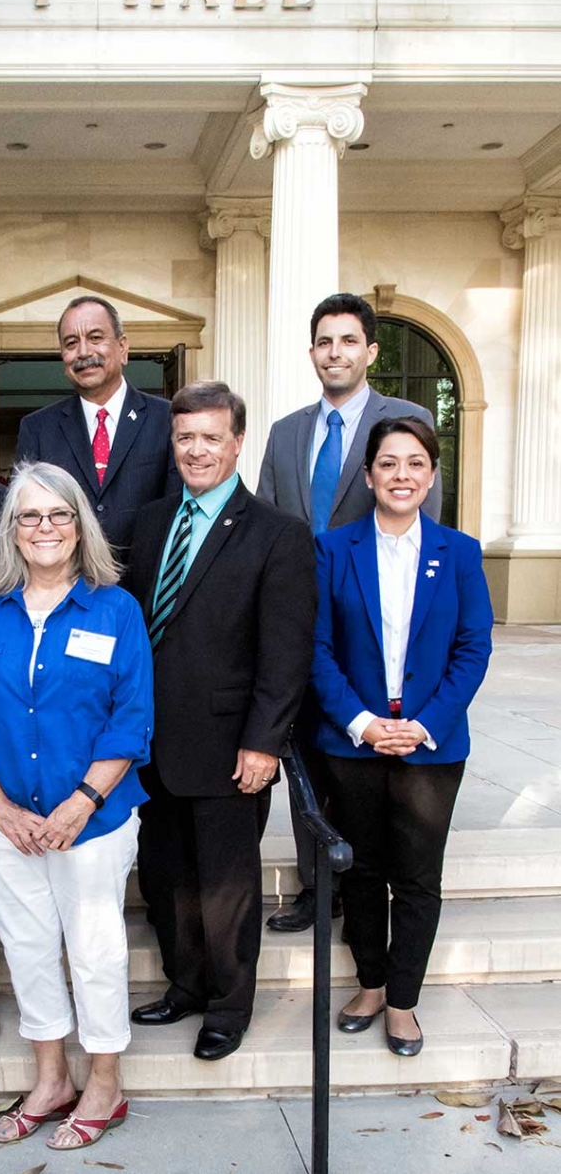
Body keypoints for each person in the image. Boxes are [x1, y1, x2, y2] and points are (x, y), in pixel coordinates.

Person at [0, 460, 152, 1151]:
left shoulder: (114, 608)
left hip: (92, 820)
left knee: (94, 949)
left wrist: (81, 801)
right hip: (8, 823)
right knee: (29, 948)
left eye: (59, 513)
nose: (45, 527)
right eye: (29, 515)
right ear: (10, 529)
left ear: (79, 524)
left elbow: (131, 719)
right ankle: (51, 1078)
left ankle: (105, 1084)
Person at [125, 381, 316, 1060]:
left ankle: (229, 1006)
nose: (197, 449)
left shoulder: (278, 534)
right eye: (185, 437)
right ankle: (186, 984)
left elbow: (285, 652)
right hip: (151, 744)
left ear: (237, 442)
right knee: (165, 874)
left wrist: (264, 742)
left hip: (232, 747)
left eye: (210, 436)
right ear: (171, 443)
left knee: (225, 887)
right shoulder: (147, 525)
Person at [257, 292, 443, 934]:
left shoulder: (407, 421)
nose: (335, 352)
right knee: (308, 757)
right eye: (323, 342)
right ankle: (321, 888)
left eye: (347, 341)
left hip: (374, 630)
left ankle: (377, 885)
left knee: (366, 764)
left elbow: (428, 532)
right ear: (312, 352)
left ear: (370, 350)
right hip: (298, 626)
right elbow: (265, 527)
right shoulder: (285, 433)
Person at [309, 416, 493, 1056]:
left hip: (431, 747)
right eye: (388, 463)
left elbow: (473, 649)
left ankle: (404, 1001)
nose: (402, 475)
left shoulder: (460, 553)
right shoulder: (333, 550)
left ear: (432, 473)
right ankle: (370, 982)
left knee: (416, 876)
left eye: (415, 463)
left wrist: (425, 724)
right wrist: (362, 722)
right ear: (368, 475)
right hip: (353, 741)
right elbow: (317, 650)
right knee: (361, 871)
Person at [15, 295, 179, 557]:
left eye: (95, 338)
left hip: (146, 589)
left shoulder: (168, 419)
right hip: (67, 589)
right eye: (71, 343)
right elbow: (25, 516)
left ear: (123, 348)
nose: (83, 352)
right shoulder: (37, 429)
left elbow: (178, 514)